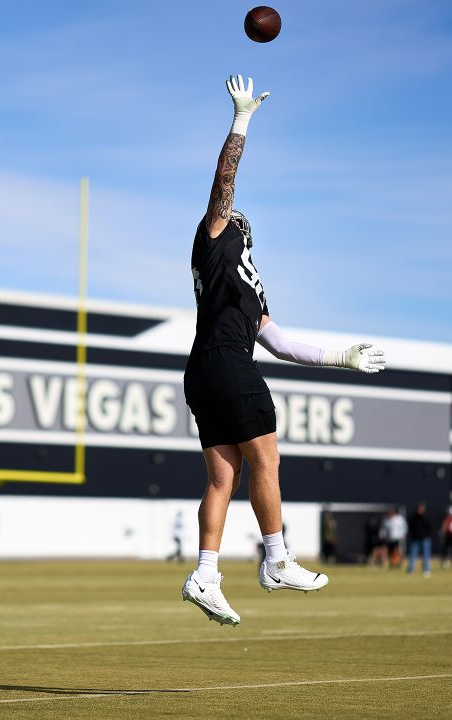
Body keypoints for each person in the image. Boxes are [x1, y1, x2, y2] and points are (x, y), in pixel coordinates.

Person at [179, 75, 389, 626]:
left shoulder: (251, 285)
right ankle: (276, 558)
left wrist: (342, 357)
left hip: (204, 370)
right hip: (223, 364)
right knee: (265, 459)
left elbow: (282, 342)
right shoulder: (215, 240)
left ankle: (206, 574)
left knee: (223, 478)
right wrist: (241, 122)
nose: (239, 223)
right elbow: (224, 180)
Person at [406, 502, 432, 576]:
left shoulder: (427, 517)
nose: (420, 510)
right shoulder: (413, 517)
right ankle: (411, 570)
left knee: (426, 555)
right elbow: (410, 526)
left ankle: (426, 570)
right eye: (419, 508)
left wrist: (426, 535)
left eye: (422, 508)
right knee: (413, 555)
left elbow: (430, 527)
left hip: (425, 539)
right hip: (415, 539)